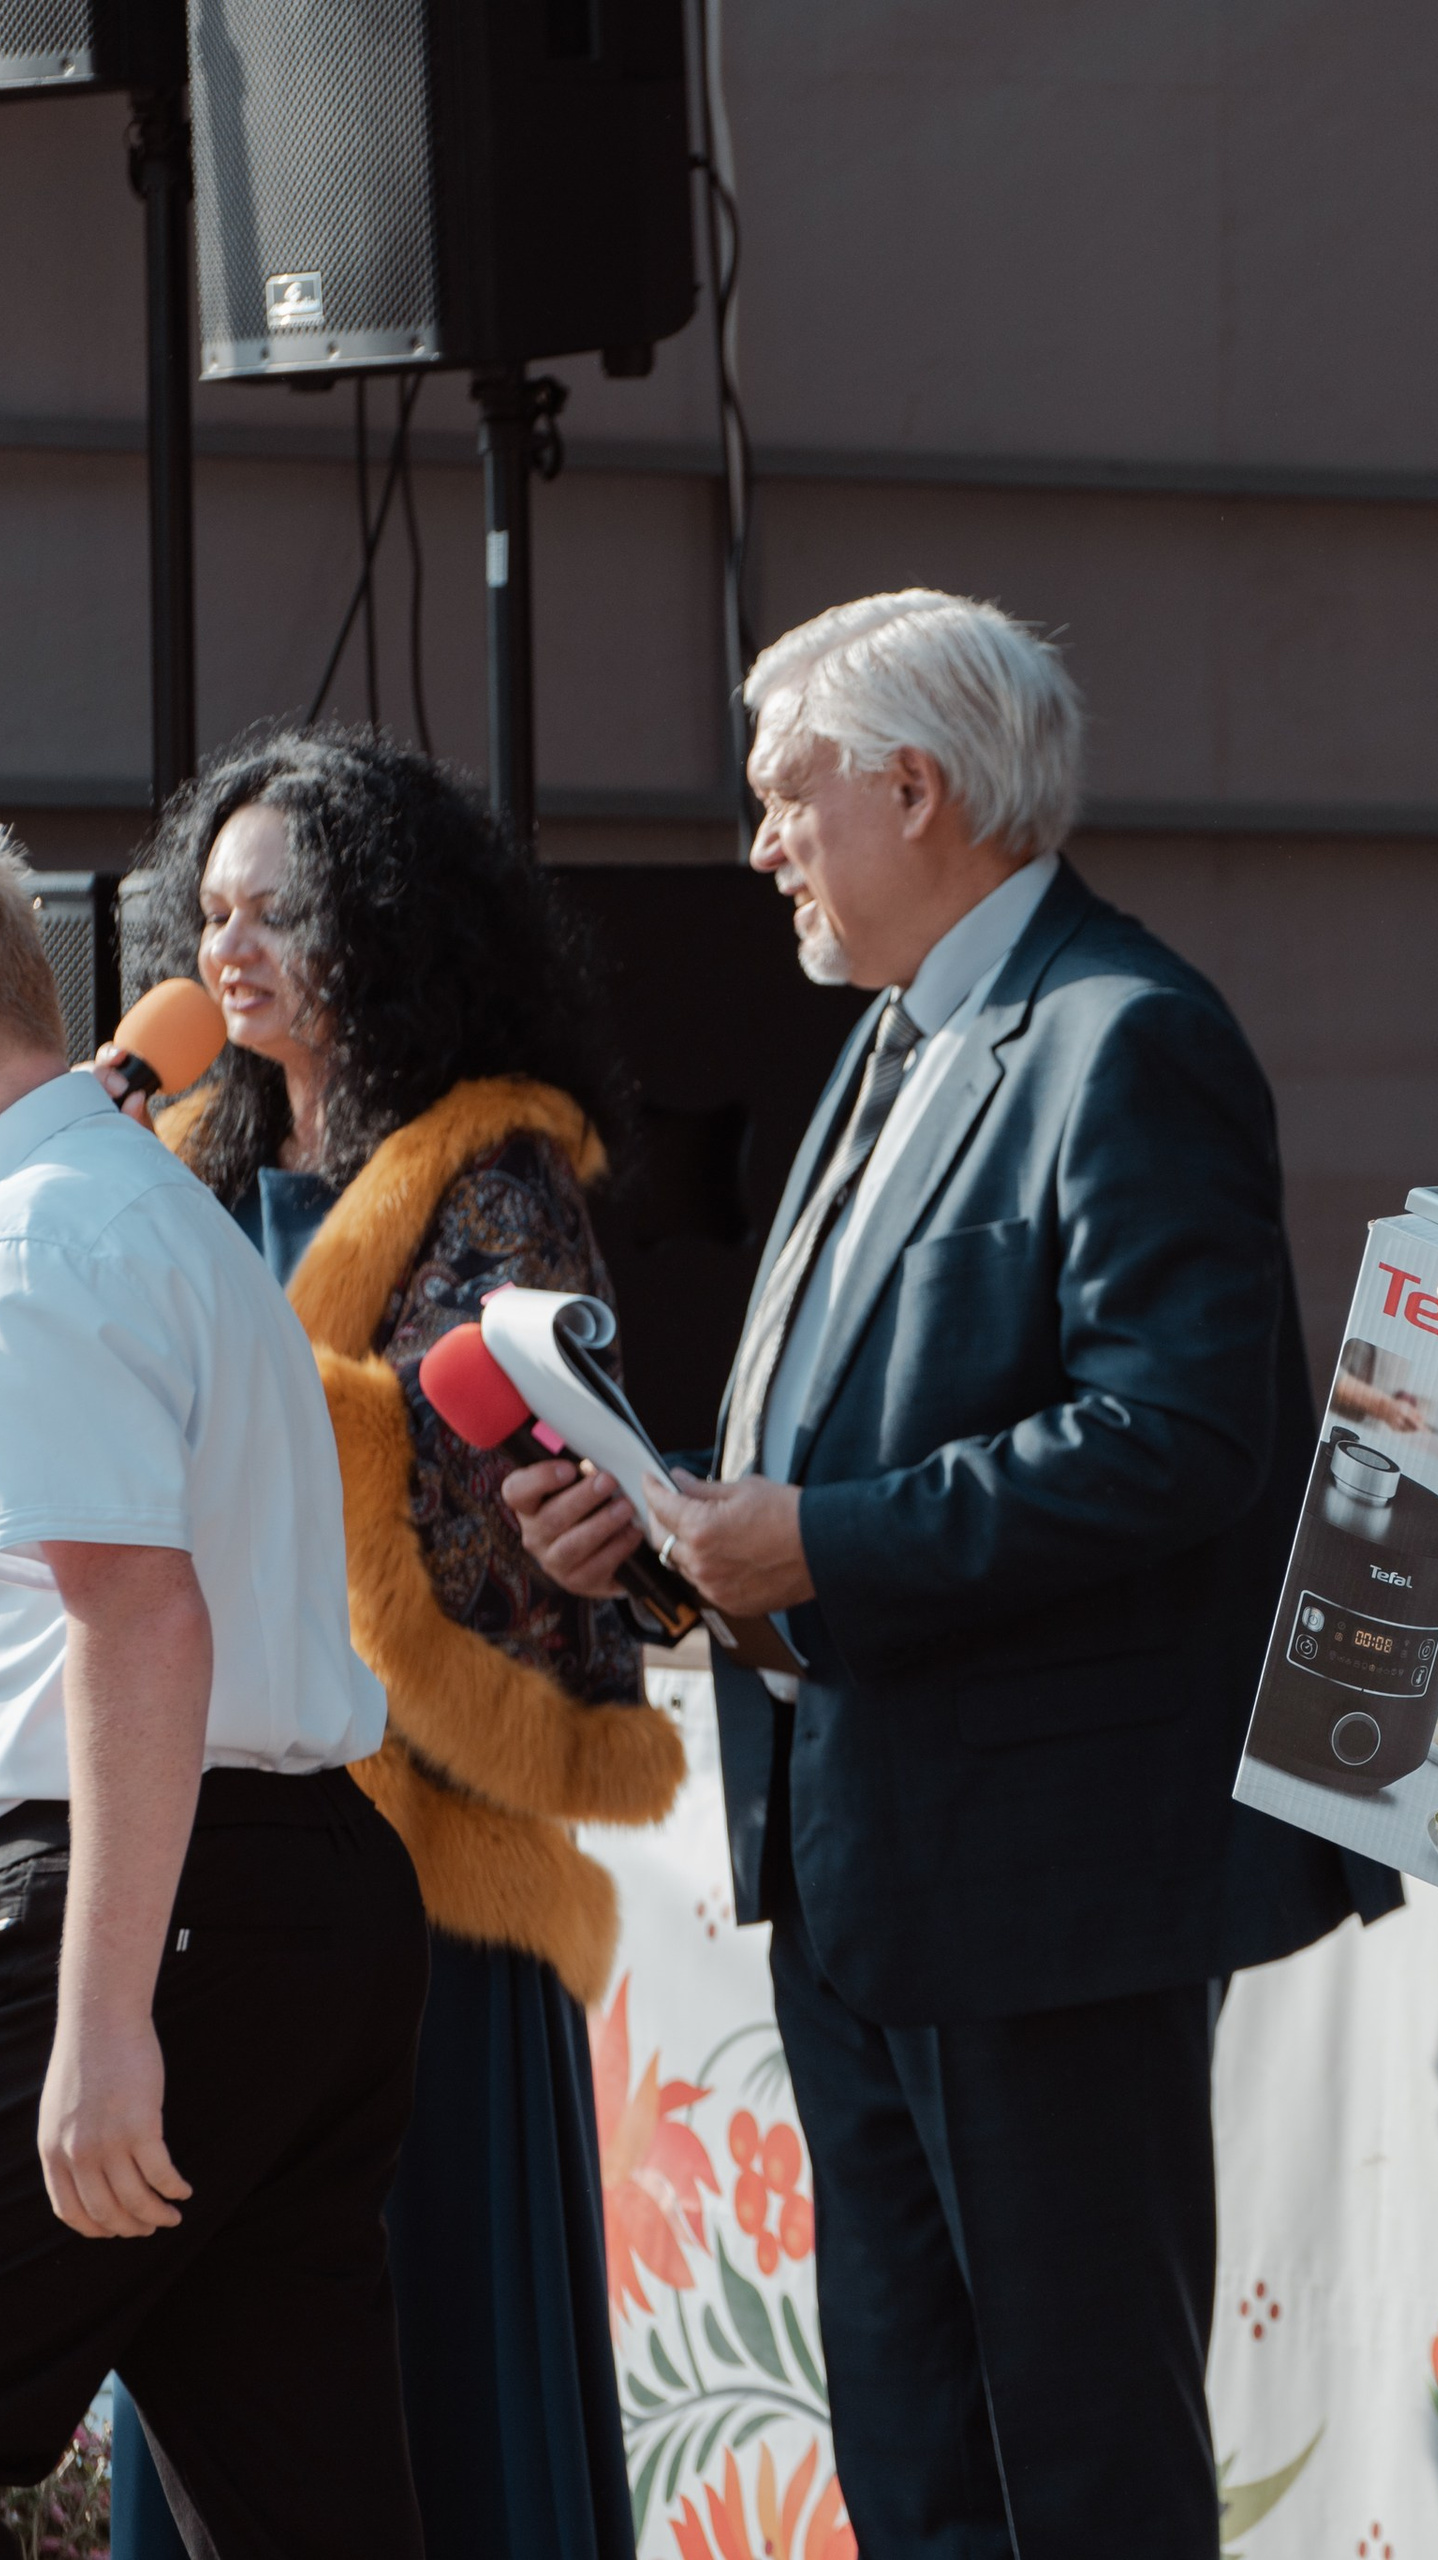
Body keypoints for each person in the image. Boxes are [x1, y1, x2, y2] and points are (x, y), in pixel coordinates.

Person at [505, 590, 1394, 2560]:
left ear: (909, 787)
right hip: (865, 1859)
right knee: (912, 2438)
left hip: (1046, 1880)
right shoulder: (906, 1034)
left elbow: (1179, 1437)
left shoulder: (1122, 1033)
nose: (757, 849)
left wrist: (808, 1539)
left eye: (780, 797)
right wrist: (673, 1554)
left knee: (1075, 2448)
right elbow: (844, 1441)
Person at [101, 733, 683, 2560]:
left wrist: (278, 1413)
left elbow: (521, 1514)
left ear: (384, 930)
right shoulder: (168, 1157)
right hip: (203, 1844)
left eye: (281, 910)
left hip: (424, 1871)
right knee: (218, 2365)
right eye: (209, 913)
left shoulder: (498, 1174)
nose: (233, 949)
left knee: (428, 2363)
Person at [0, 833, 430, 2557]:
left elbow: (140, 1624)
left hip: (151, 1913)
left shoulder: (41, 1237)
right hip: (290, 1900)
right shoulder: (139, 1206)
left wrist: (108, 2023)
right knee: (303, 2507)